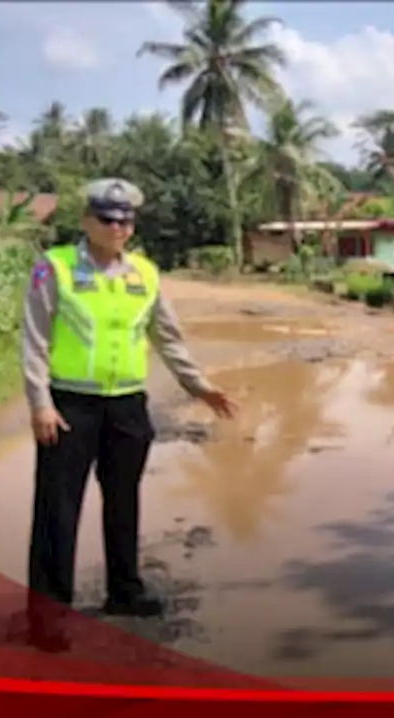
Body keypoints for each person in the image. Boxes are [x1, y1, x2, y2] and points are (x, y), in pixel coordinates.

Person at [21, 178, 237, 652]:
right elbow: (34, 341)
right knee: (58, 510)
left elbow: (168, 338)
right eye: (107, 218)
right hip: (69, 405)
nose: (117, 227)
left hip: (127, 406)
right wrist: (40, 402)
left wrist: (199, 386)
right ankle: (47, 616)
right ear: (86, 222)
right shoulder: (53, 267)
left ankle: (125, 591)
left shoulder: (145, 274)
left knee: (124, 502)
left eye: (126, 220)